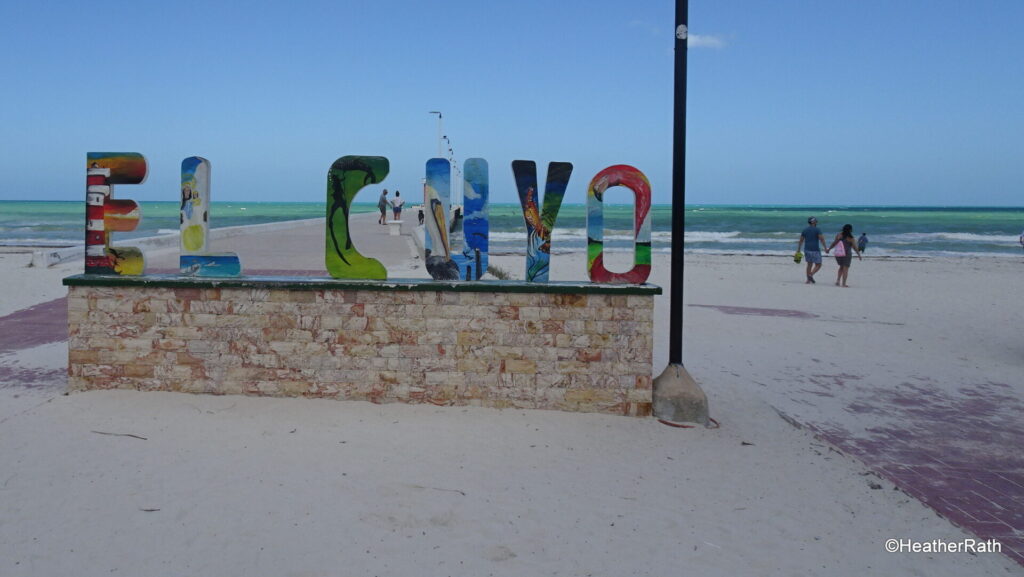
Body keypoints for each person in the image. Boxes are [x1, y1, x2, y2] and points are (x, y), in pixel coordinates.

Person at [797, 217, 827, 284]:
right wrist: (825, 248)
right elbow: (821, 239)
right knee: (819, 264)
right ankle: (811, 275)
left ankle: (808, 280)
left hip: (807, 249)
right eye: (816, 221)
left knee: (809, 265)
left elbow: (801, 241)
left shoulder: (805, 230)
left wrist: (798, 249)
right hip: (815, 249)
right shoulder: (817, 230)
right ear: (813, 222)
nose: (817, 222)